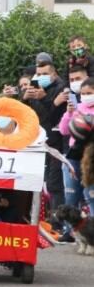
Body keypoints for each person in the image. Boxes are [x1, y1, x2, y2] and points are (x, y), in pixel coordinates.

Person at [25, 52, 67, 207]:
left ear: (54, 74)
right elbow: (28, 113)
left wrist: (44, 98)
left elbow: (55, 117)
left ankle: (58, 220)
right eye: (39, 73)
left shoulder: (61, 88)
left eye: (45, 74)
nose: (41, 76)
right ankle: (45, 217)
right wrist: (25, 98)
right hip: (38, 141)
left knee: (55, 184)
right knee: (40, 183)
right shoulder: (34, 85)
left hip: (56, 143)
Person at [59, 76, 94, 207]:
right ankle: (69, 227)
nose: (86, 96)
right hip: (74, 156)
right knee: (71, 198)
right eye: (83, 94)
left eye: (89, 93)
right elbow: (63, 130)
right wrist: (68, 114)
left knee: (91, 196)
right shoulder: (77, 107)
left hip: (91, 158)